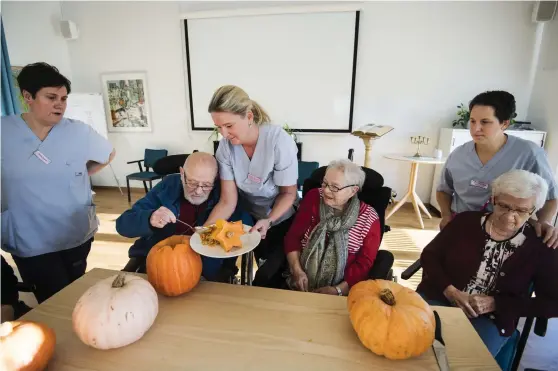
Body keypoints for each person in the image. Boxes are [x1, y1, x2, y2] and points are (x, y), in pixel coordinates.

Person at [1, 62, 115, 303]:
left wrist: (85, 172)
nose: (59, 104)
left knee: (76, 292)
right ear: (28, 96)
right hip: (29, 236)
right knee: (52, 299)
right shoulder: (3, 132)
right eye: (51, 97)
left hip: (73, 233)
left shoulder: (78, 132)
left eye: (63, 98)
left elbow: (108, 153)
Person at [418, 170, 558, 357]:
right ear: (493, 199)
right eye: (503, 206)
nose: (509, 217)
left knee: (462, 362)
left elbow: (551, 303)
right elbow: (430, 256)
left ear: (533, 210)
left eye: (521, 210)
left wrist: (496, 304)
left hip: (490, 319)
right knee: (407, 348)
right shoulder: (464, 222)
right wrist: (449, 290)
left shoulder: (542, 245)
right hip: (437, 299)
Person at [204, 85, 299, 287]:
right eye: (218, 127)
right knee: (261, 269)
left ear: (248, 116)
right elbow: (228, 201)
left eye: (229, 126)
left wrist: (269, 220)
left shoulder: (278, 141)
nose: (224, 134)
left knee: (277, 277)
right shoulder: (225, 148)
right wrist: (203, 232)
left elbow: (289, 194)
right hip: (250, 219)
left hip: (281, 218)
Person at [436, 91, 558, 247]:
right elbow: (443, 190)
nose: (476, 128)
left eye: (485, 122)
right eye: (472, 121)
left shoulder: (529, 154)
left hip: (507, 233)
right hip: (461, 227)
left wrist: (544, 221)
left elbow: (551, 197)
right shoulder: (458, 155)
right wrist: (446, 215)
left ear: (504, 123)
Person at [116, 152, 251, 281]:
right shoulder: (168, 187)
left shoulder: (225, 195)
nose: (198, 191)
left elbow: (246, 228)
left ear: (215, 179)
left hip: (207, 272)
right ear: (181, 173)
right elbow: (123, 225)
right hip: (158, 263)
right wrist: (149, 218)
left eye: (206, 185)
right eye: (192, 182)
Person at [284, 159, 382, 295]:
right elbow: (293, 237)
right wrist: (297, 271)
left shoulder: (369, 218)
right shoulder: (313, 197)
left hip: (343, 291)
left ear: (353, 191)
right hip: (301, 282)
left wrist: (338, 290)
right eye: (324, 183)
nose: (326, 190)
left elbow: (364, 263)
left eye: (335, 187)